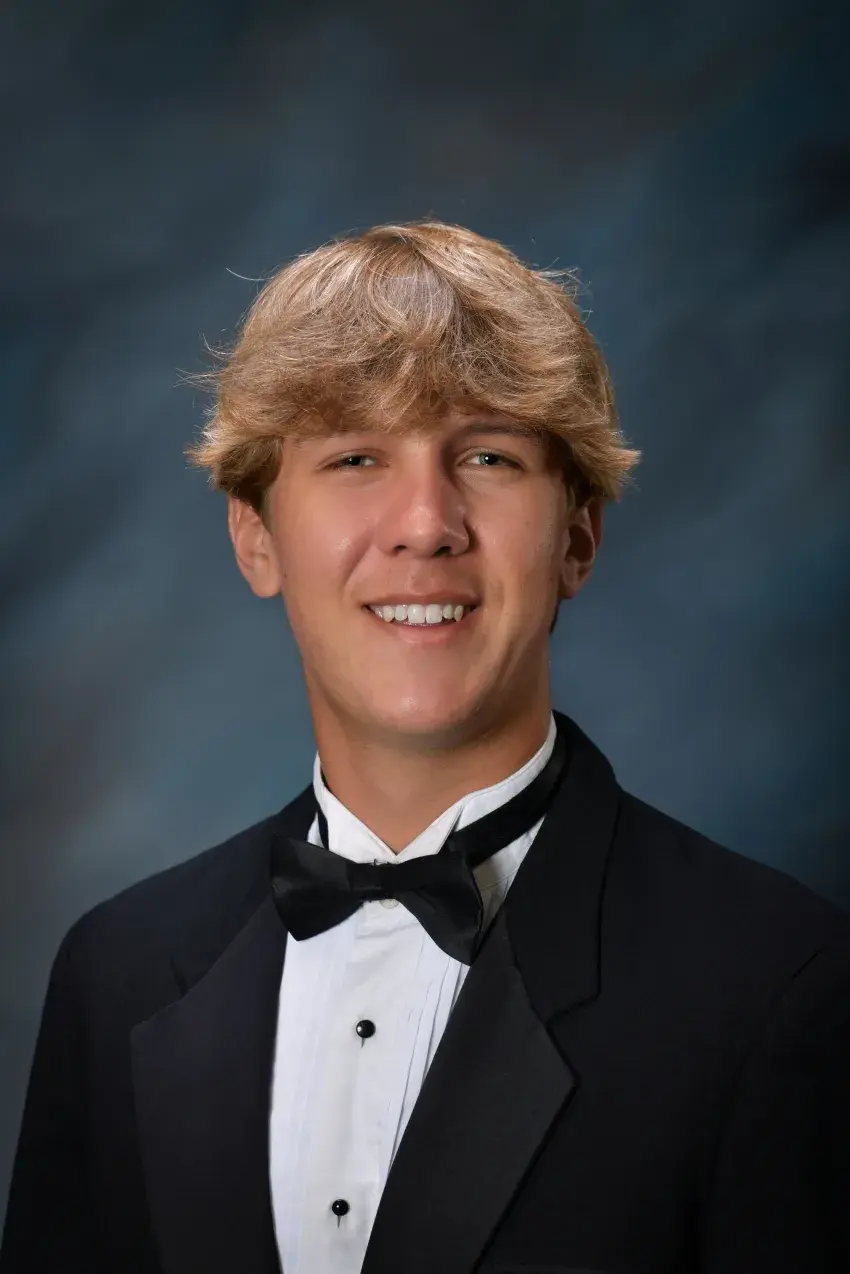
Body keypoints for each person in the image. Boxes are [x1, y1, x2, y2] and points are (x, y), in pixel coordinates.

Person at [2, 221, 848, 1274]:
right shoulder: (118, 971)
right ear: (255, 537)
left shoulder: (780, 982)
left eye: (488, 457)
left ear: (578, 536)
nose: (425, 523)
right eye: (355, 457)